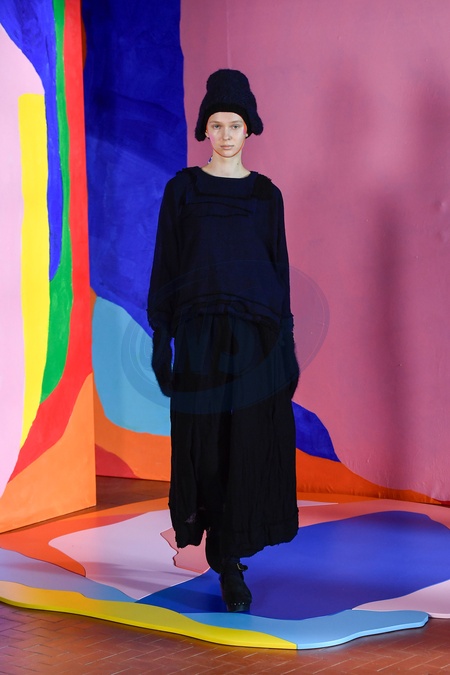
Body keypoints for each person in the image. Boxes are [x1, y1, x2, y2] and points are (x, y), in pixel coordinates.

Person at [147, 69, 299, 613]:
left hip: (255, 339)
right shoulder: (182, 191)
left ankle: (232, 559)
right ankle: (218, 547)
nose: (227, 134)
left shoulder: (266, 195)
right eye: (217, 124)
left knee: (248, 445)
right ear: (204, 130)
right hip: (199, 339)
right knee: (205, 446)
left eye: (235, 124)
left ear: (249, 128)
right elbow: (166, 267)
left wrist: (286, 344)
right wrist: (161, 338)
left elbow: (278, 272)